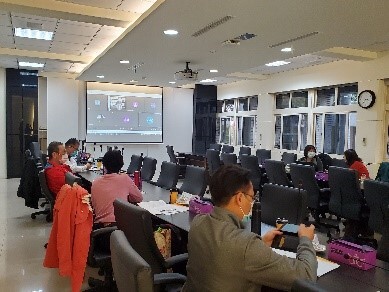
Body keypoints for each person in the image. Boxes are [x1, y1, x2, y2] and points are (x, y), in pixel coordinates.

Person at [182, 165, 317, 292]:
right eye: (251, 197)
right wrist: (306, 240)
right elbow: (305, 275)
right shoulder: (246, 246)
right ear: (240, 198)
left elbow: (224, 256)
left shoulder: (198, 222)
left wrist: (260, 244)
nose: (252, 203)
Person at [91, 150, 143, 228]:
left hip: (99, 230)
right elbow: (139, 198)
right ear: (121, 165)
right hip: (120, 229)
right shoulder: (124, 178)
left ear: (104, 164)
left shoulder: (95, 183)